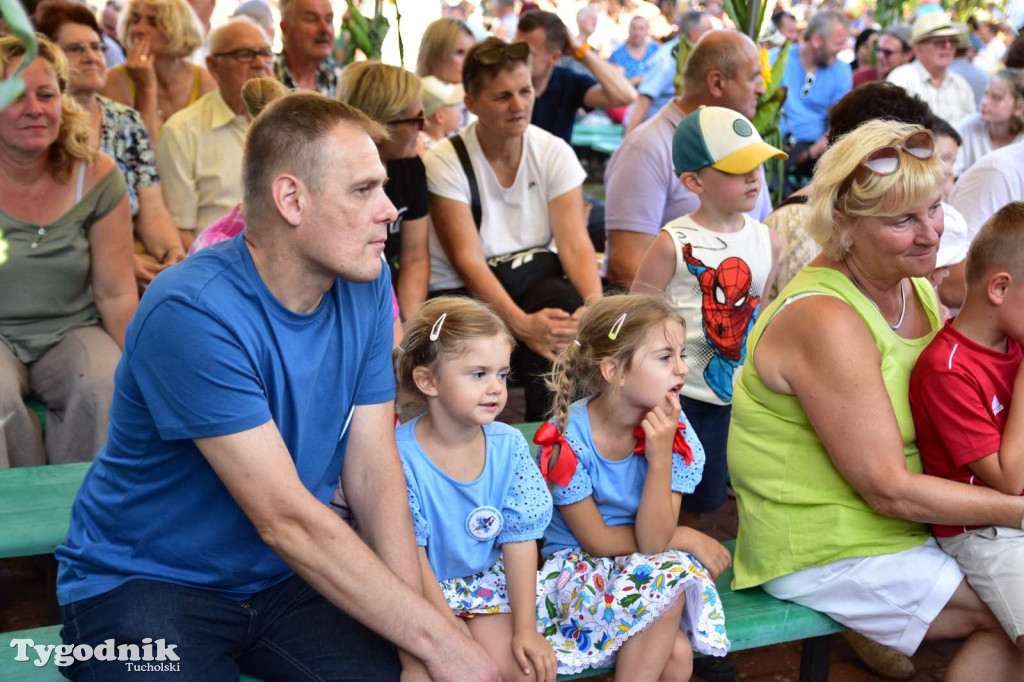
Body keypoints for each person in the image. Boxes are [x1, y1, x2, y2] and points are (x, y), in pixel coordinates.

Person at [54, 90, 499, 682]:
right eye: (364, 190)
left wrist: (418, 644)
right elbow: (284, 518)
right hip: (143, 580)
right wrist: (444, 645)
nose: (391, 209)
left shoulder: (364, 284)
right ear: (291, 198)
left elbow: (372, 470)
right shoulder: (191, 309)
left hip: (284, 578)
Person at [728, 119, 1024, 677]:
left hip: (907, 524)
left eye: (934, 208)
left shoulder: (911, 286)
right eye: (902, 221)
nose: (931, 233)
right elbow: (888, 490)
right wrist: (1017, 510)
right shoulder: (825, 317)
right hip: (825, 545)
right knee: (1010, 609)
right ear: (843, 223)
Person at [534, 294, 731, 678]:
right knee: (671, 577)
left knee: (676, 652)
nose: (682, 370)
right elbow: (599, 542)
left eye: (682, 355)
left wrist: (659, 458)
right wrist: (687, 537)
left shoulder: (672, 431)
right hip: (579, 577)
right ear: (614, 371)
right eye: (664, 357)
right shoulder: (567, 441)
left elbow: (655, 540)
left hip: (642, 565)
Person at [425, 37, 601, 421]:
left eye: (525, 91)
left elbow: (575, 244)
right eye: (502, 96)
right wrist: (521, 325)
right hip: (464, 292)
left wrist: (594, 309)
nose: (519, 105)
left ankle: (552, 436)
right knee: (536, 318)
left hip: (527, 280)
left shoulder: (553, 151)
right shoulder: (445, 160)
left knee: (562, 307)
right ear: (471, 104)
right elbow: (467, 261)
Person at [632, 106, 782, 526]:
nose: (754, 177)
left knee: (714, 492)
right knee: (668, 489)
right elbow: (636, 315)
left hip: (736, 392)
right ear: (694, 181)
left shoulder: (768, 240)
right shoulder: (673, 242)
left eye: (757, 164)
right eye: (738, 169)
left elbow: (759, 315)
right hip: (678, 394)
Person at [395, 297, 557, 682]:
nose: (495, 389)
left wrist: (525, 629)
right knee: (429, 674)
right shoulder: (398, 456)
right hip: (417, 594)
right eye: (478, 373)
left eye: (502, 375)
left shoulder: (508, 445)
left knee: (525, 670)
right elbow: (410, 556)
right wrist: (451, 636)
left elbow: (520, 542)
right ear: (427, 381)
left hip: (482, 584)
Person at [0, 34, 137, 468]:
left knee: (102, 381)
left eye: (47, 94)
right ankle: (16, 522)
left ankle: (90, 517)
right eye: (17, 96)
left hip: (72, 326)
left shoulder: (97, 175)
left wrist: (145, 369)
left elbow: (115, 293)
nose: (36, 109)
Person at [910, 202, 1024, 652]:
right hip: (983, 532)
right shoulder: (947, 368)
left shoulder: (1013, 341)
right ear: (999, 287)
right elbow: (1009, 481)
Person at [35, 0, 186, 291]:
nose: (92, 57)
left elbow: (152, 209)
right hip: (62, 272)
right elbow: (48, 224)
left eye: (97, 47)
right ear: (49, 57)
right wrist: (121, 260)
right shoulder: (38, 125)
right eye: (76, 49)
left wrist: (172, 253)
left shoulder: (126, 121)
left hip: (128, 264)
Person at [605, 30, 772, 288]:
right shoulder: (647, 149)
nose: (762, 88)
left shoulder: (743, 139)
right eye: (753, 78)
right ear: (717, 84)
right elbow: (627, 265)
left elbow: (766, 234)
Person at [156, 19, 272, 248]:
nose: (260, 63)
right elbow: (181, 232)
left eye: (266, 53)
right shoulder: (182, 132)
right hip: (219, 266)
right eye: (245, 54)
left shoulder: (292, 124)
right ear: (213, 66)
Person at [338, 61, 430, 319]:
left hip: (389, 295)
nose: (424, 127)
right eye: (415, 120)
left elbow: (415, 258)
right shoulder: (336, 175)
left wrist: (410, 329)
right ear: (379, 123)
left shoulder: (410, 167)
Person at [514, 9, 636, 145]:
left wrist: (580, 49)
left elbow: (626, 95)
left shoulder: (566, 81)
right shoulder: (502, 79)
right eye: (514, 48)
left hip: (556, 165)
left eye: (527, 52)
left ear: (555, 57)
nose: (516, 57)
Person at [101, 0, 216, 143]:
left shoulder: (204, 80)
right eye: (135, 19)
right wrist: (145, 88)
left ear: (178, 29)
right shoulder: (114, 80)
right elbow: (139, 156)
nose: (138, 29)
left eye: (153, 22)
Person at [780, 9, 853, 194]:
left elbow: (839, 121)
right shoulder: (777, 60)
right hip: (775, 145)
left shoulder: (842, 70)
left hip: (814, 151)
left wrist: (810, 153)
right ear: (817, 40)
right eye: (838, 43)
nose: (843, 48)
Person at [622, 10, 713, 136]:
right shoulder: (668, 59)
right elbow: (643, 99)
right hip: (649, 134)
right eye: (709, 30)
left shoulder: (693, 57)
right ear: (694, 34)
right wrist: (628, 142)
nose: (712, 34)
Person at [888, 13, 976, 125]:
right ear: (918, 48)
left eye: (952, 41)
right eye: (940, 42)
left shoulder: (961, 85)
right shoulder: (901, 80)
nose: (948, 47)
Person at [954, 68, 1024, 176]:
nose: (984, 102)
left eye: (996, 97)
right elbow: (950, 175)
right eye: (986, 93)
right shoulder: (967, 127)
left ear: (1019, 108)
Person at [417, 17, 477, 128]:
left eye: (471, 53)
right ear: (435, 55)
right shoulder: (418, 97)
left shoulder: (473, 99)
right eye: (460, 52)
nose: (468, 60)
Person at [273, 0, 337, 95]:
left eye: (329, 20)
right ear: (285, 28)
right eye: (311, 19)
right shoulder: (266, 74)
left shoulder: (340, 78)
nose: (325, 29)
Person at [608, 14, 659, 86]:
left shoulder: (656, 51)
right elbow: (613, 85)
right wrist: (637, 79)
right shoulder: (617, 55)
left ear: (647, 31)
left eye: (641, 29)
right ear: (629, 30)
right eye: (633, 28)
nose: (637, 33)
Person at [419, 74, 463, 153]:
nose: (459, 110)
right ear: (439, 116)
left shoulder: (441, 142)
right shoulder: (423, 148)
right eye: (454, 105)